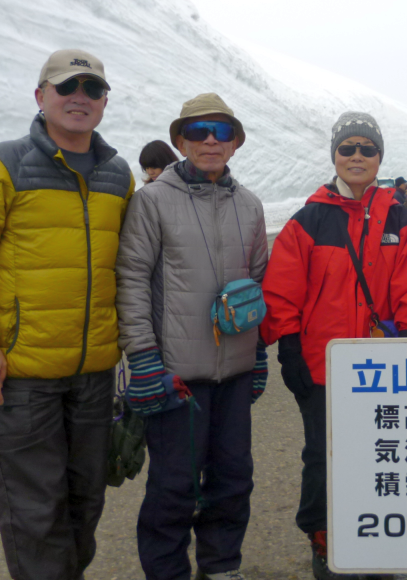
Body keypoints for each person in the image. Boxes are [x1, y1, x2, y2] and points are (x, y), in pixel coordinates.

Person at [0, 49, 133, 580]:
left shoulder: (118, 175)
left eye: (92, 89)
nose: (80, 97)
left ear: (104, 102)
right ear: (40, 96)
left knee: (85, 505)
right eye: (67, 86)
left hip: (93, 375)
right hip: (22, 377)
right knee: (36, 515)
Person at [260, 111, 407, 580]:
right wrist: (290, 347)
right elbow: (282, 290)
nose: (357, 157)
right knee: (322, 452)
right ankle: (324, 538)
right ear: (334, 155)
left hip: (384, 367)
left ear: (380, 157)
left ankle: (379, 535)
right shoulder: (309, 220)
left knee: (382, 451)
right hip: (324, 365)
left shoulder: (399, 216)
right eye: (347, 148)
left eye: (367, 149)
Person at [116, 93, 268, 580]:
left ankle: (222, 568)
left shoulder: (249, 205)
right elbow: (133, 278)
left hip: (236, 373)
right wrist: (142, 357)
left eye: (221, 132)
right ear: (181, 140)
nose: (210, 140)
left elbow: (260, 285)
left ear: (235, 144)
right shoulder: (153, 201)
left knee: (232, 480)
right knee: (174, 487)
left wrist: (259, 352)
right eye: (199, 130)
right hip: (174, 376)